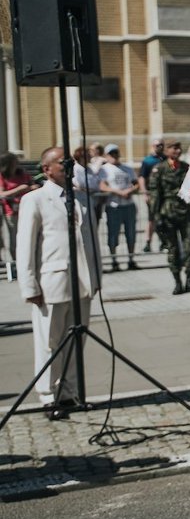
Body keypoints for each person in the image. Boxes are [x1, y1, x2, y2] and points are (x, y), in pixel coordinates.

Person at [16, 147, 101, 418]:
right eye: (61, 162)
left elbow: (92, 240)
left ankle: (69, 393)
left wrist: (96, 275)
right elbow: (25, 246)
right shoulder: (36, 199)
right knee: (49, 342)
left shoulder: (81, 198)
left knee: (76, 340)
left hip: (82, 282)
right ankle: (48, 396)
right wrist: (29, 286)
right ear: (47, 168)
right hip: (51, 282)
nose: (68, 166)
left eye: (70, 162)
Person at [148, 139, 190, 294]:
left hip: (185, 212)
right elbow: (155, 194)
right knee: (172, 249)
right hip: (167, 213)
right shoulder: (159, 169)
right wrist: (156, 217)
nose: (177, 151)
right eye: (173, 148)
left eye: (179, 147)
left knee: (189, 248)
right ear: (167, 150)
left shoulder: (186, 168)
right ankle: (177, 282)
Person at [98, 144, 139, 271]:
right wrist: (118, 192)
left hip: (128, 205)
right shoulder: (104, 169)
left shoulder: (128, 168)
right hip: (113, 206)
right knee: (113, 234)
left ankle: (131, 259)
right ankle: (114, 260)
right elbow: (102, 186)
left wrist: (130, 191)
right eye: (111, 154)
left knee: (131, 234)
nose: (114, 156)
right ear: (106, 156)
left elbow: (136, 183)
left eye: (116, 153)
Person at [0, 151, 38, 264]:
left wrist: (32, 187)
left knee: (29, 235)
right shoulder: (2, 176)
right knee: (14, 239)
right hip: (11, 211)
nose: (17, 164)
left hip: (27, 209)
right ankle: (17, 262)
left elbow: (33, 185)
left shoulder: (23, 174)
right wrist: (19, 189)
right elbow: (1, 194)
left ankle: (29, 259)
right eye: (14, 162)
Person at [137, 139, 166, 252]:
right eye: (157, 145)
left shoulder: (166, 159)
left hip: (165, 195)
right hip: (153, 195)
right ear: (153, 146)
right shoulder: (148, 161)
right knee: (152, 219)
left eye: (161, 145)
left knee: (164, 220)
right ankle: (148, 242)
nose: (159, 147)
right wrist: (145, 192)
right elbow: (142, 177)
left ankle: (164, 242)